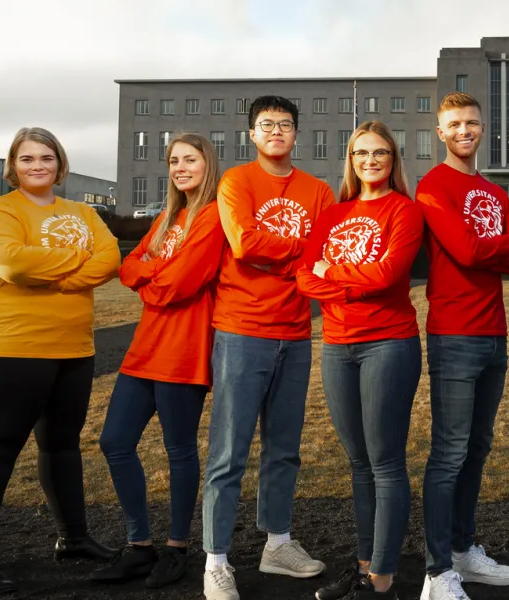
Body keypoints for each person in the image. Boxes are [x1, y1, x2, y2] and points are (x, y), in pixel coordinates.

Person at [0, 127, 121, 593]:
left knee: (62, 446)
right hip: (13, 346)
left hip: (74, 346)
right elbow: (13, 264)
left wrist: (59, 276)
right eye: (27, 159)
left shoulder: (82, 210)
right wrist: (76, 263)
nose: (38, 166)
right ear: (13, 166)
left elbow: (108, 259)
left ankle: (73, 537)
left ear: (60, 164)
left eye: (47, 158)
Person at [204, 95, 334, 600]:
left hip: (296, 331)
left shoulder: (317, 190)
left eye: (284, 124)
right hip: (241, 328)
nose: (276, 131)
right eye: (266, 125)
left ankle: (277, 543)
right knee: (228, 452)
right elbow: (245, 244)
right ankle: (216, 560)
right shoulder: (236, 182)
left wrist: (287, 253)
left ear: (297, 133)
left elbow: (324, 253)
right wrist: (299, 253)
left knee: (284, 450)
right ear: (252, 135)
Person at [91, 133, 225, 588]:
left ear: (208, 164)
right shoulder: (171, 216)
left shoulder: (212, 216)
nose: (181, 167)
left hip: (184, 349)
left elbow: (176, 287)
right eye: (174, 161)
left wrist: (149, 273)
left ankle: (176, 548)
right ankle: (139, 546)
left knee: (179, 449)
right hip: (145, 347)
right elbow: (128, 267)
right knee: (114, 441)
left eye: (190, 159)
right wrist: (151, 270)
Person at [297, 121, 425, 600]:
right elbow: (303, 277)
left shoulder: (405, 211)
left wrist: (332, 271)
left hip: (388, 344)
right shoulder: (333, 214)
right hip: (336, 345)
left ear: (393, 160)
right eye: (361, 153)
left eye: (380, 153)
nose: (370, 161)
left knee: (386, 462)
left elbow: (390, 276)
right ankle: (364, 566)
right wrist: (344, 277)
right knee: (358, 463)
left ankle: (383, 580)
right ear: (350, 160)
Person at [413, 91, 509, 600]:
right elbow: (462, 250)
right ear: (441, 132)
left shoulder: (494, 190)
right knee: (449, 454)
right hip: (454, 333)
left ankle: (463, 550)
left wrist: (496, 247)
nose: (465, 130)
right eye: (454, 124)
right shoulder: (433, 186)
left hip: (494, 334)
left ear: (483, 128)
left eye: (472, 123)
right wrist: (499, 245)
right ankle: (437, 573)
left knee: (477, 449)